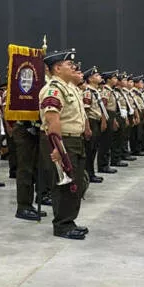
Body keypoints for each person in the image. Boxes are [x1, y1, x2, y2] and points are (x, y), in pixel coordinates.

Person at [40, 50, 90, 239]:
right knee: (64, 185)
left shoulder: (71, 88)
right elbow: (53, 119)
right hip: (63, 140)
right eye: (69, 65)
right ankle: (62, 225)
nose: (74, 67)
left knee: (75, 181)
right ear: (58, 68)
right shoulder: (54, 89)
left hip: (75, 139)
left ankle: (69, 220)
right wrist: (58, 148)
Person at [81, 66, 107, 183]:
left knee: (94, 148)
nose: (99, 77)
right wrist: (87, 127)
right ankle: (89, 173)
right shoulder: (88, 91)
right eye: (96, 76)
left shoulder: (96, 91)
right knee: (89, 149)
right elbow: (86, 110)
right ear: (90, 79)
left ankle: (91, 172)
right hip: (91, 121)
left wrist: (103, 119)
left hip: (96, 120)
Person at [98, 70, 120, 173]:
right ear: (108, 80)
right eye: (114, 78)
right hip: (106, 115)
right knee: (105, 142)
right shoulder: (106, 90)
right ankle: (102, 165)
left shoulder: (110, 90)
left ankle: (106, 163)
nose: (116, 80)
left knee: (109, 140)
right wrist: (104, 120)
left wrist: (114, 119)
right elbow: (103, 106)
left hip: (111, 115)